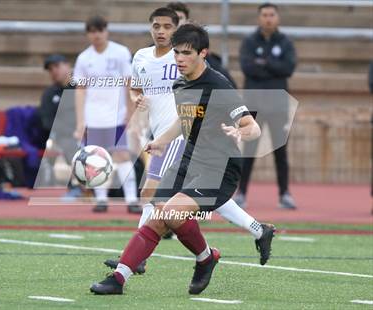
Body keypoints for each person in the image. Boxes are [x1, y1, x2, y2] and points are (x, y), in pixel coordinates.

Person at [90, 23, 275, 295]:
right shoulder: (180, 82)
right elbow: (185, 118)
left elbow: (252, 127)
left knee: (170, 213)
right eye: (176, 52)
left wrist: (238, 131)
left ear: (203, 53)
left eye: (186, 53)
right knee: (158, 213)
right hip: (189, 159)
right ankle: (120, 278)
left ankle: (205, 257)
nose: (179, 58)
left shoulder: (218, 85)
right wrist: (161, 141)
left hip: (218, 168)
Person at [73, 16, 141, 213]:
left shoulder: (120, 53)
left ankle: (131, 200)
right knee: (96, 159)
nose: (97, 35)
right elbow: (80, 89)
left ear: (106, 31)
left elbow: (130, 83)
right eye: (93, 31)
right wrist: (80, 121)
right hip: (93, 117)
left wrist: (131, 112)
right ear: (88, 34)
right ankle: (101, 200)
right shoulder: (84, 58)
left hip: (117, 115)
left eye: (100, 30)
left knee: (122, 155)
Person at [237, 2, 297, 209]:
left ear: (277, 18)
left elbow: (288, 68)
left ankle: (284, 194)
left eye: (272, 15)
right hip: (253, 104)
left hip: (278, 104)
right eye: (264, 15)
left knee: (281, 151)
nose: (268, 18)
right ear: (259, 17)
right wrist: (273, 66)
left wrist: (263, 62)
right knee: (249, 150)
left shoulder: (286, 42)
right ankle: (241, 192)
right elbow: (247, 68)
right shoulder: (249, 41)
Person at [38, 54, 82, 199]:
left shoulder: (82, 87)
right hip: (65, 136)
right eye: (50, 69)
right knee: (69, 144)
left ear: (68, 66)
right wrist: (70, 131)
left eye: (57, 66)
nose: (54, 71)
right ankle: (76, 186)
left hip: (88, 131)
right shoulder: (49, 94)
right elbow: (47, 121)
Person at [167, 1, 237, 88]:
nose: (176, 23)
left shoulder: (201, 53)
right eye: (173, 19)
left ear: (187, 21)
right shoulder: (151, 53)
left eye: (180, 18)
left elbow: (227, 86)